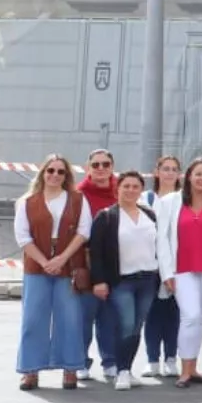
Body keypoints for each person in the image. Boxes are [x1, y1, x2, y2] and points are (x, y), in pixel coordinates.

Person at [154, 158, 202, 389]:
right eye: (199, 174)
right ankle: (185, 370)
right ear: (188, 176)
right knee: (190, 315)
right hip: (180, 269)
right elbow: (162, 240)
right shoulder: (169, 201)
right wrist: (166, 273)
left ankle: (193, 367)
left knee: (200, 319)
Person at [16, 155, 90, 391]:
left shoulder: (78, 200)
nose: (55, 175)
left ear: (67, 176)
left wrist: (61, 258)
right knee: (33, 319)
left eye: (60, 172)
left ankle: (70, 369)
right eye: (51, 170)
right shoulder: (27, 202)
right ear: (42, 173)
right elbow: (23, 237)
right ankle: (30, 370)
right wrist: (44, 261)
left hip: (67, 265)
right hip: (36, 267)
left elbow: (83, 231)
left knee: (69, 318)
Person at [87, 171, 158, 390]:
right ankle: (122, 371)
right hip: (122, 282)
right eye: (126, 186)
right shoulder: (106, 216)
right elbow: (95, 252)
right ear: (117, 189)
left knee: (137, 326)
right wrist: (98, 281)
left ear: (141, 190)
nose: (130, 190)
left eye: (135, 186)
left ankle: (126, 367)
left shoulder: (150, 215)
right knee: (125, 324)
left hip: (147, 279)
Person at [73, 150, 120, 382]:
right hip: (87, 261)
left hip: (116, 263)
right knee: (84, 316)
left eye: (106, 164)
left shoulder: (123, 190)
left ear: (112, 167)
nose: (101, 168)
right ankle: (81, 362)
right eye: (96, 164)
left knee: (110, 316)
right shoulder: (78, 195)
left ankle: (110, 361)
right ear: (87, 167)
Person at [139, 155, 182, 378]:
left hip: (179, 265)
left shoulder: (184, 199)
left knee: (173, 313)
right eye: (165, 168)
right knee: (153, 313)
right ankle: (152, 359)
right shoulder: (146, 198)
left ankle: (172, 359)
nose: (169, 173)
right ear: (157, 171)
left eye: (174, 169)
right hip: (151, 265)